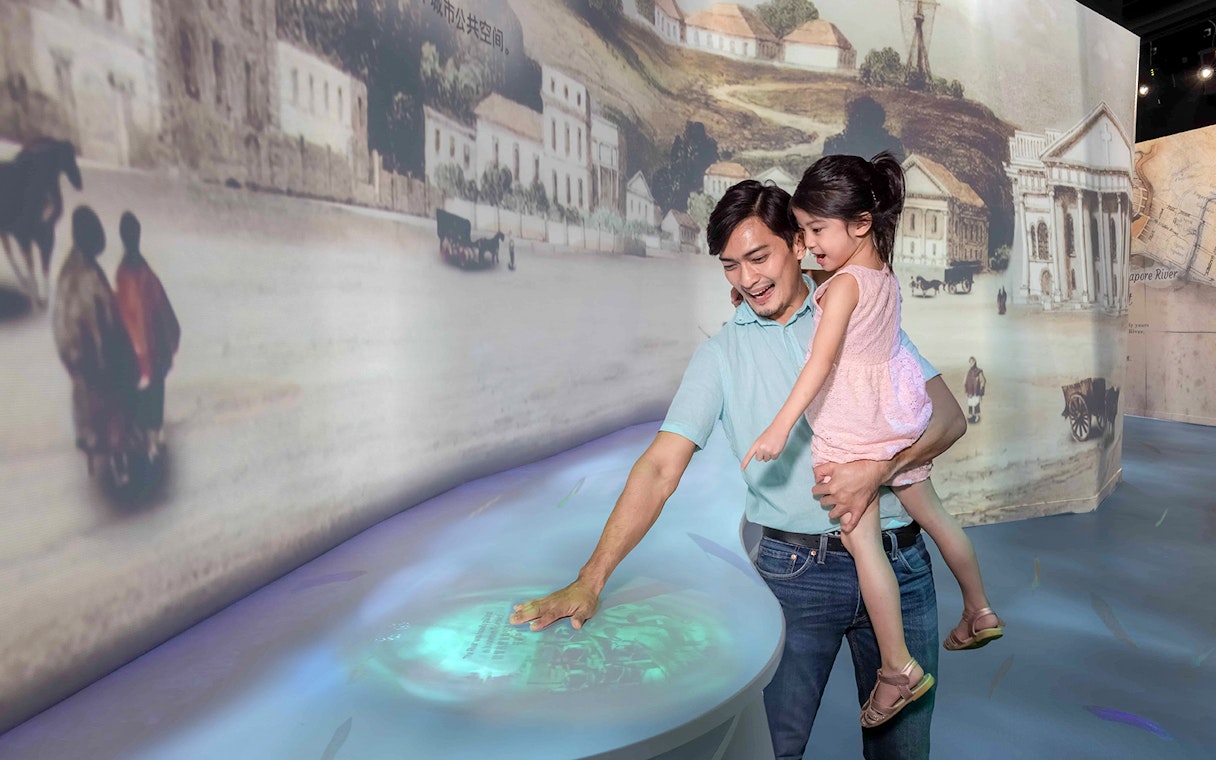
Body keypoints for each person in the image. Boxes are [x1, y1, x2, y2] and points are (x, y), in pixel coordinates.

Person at [509, 179, 967, 759]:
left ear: (799, 245)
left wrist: (877, 471)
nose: (747, 279)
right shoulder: (720, 356)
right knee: (771, 750)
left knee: (903, 753)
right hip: (796, 576)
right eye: (731, 266)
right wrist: (591, 578)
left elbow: (949, 419)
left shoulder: (853, 310)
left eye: (759, 257)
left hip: (899, 560)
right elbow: (658, 468)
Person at [743, 153, 1004, 730]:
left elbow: (822, 361)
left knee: (864, 548)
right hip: (898, 415)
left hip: (853, 427)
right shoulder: (881, 274)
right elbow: (844, 295)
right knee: (935, 518)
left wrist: (781, 425)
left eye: (816, 231)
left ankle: (897, 669)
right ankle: (980, 608)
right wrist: (809, 280)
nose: (808, 246)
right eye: (803, 232)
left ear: (859, 223)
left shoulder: (840, 291)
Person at [52, 205, 139, 483]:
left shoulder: (70, 267)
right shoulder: (87, 274)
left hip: (74, 354)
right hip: (94, 357)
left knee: (89, 410)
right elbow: (99, 322)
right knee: (113, 406)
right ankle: (119, 463)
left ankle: (95, 453)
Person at [115, 211, 181, 462]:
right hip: (152, 348)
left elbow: (130, 314)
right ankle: (153, 440)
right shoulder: (141, 269)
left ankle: (150, 442)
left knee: (145, 397)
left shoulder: (126, 273)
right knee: (155, 395)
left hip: (141, 352)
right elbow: (157, 306)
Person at [965, 357, 987, 424]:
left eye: (972, 362)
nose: (971, 364)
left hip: (976, 390)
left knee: (976, 403)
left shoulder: (979, 371)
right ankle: (971, 414)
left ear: (975, 362)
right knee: (970, 403)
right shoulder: (969, 371)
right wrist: (966, 389)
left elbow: (983, 381)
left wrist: (981, 391)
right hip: (970, 391)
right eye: (970, 362)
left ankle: (977, 415)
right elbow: (966, 381)